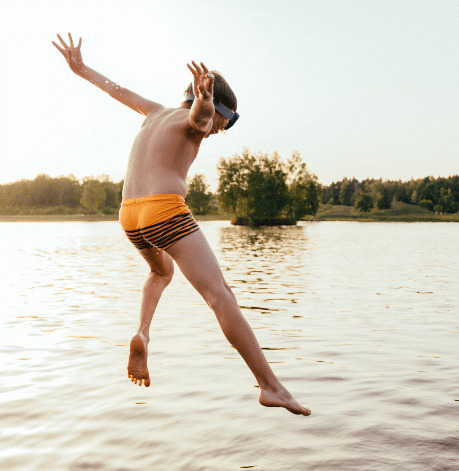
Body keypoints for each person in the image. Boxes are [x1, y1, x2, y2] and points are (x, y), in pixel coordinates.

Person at [52, 33, 310, 416]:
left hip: (129, 215)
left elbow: (116, 91)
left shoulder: (154, 112)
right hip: (163, 210)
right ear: (219, 106)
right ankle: (271, 387)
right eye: (230, 120)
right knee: (220, 295)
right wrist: (205, 105)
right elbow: (201, 120)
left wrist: (81, 68)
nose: (224, 128)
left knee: (161, 271)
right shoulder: (200, 119)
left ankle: (142, 332)